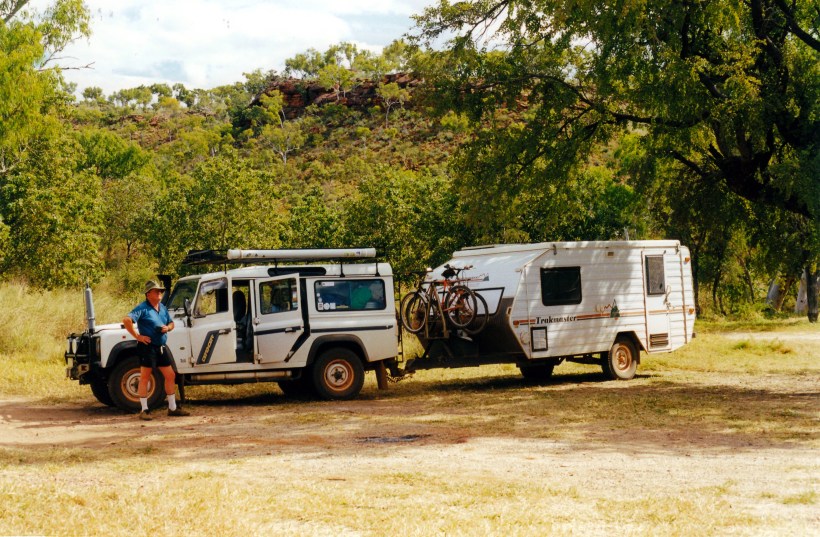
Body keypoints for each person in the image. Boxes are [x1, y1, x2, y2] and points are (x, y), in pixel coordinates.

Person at [123, 280, 190, 420]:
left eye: (161, 291)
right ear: (148, 294)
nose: (160, 293)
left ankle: (172, 408)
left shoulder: (163, 308)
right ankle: (144, 410)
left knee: (170, 375)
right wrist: (138, 336)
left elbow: (171, 323)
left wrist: (168, 328)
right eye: (156, 291)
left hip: (161, 347)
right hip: (147, 347)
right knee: (145, 377)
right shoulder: (142, 308)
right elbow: (127, 320)